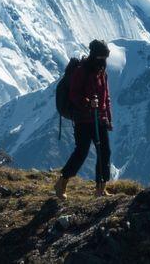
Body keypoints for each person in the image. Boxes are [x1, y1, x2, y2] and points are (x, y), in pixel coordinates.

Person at [54, 39, 113, 199]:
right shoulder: (81, 71)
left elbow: (106, 97)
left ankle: (101, 187)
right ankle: (62, 182)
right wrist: (88, 103)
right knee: (81, 152)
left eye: (105, 58)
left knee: (105, 152)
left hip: (98, 119)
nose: (103, 61)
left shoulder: (102, 73)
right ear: (94, 55)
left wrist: (107, 117)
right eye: (101, 57)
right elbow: (74, 94)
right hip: (83, 119)